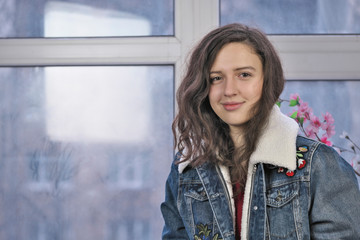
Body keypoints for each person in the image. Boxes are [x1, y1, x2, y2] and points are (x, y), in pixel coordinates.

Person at [160, 23, 360, 240]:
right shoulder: (186, 170)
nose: (229, 90)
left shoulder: (320, 165)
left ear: (268, 80)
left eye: (244, 74)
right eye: (216, 78)